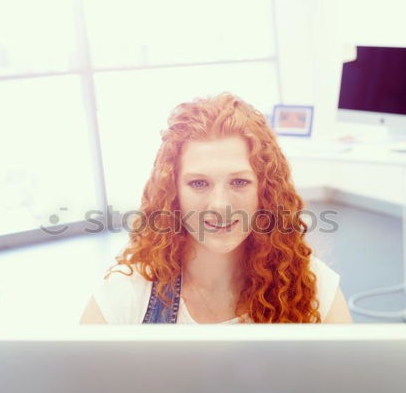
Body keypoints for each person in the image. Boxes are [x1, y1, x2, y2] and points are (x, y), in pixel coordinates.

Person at [80, 93, 352, 324]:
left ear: (265, 192)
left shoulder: (315, 289)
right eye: (199, 183)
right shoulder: (126, 293)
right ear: (173, 193)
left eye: (239, 182)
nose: (220, 205)